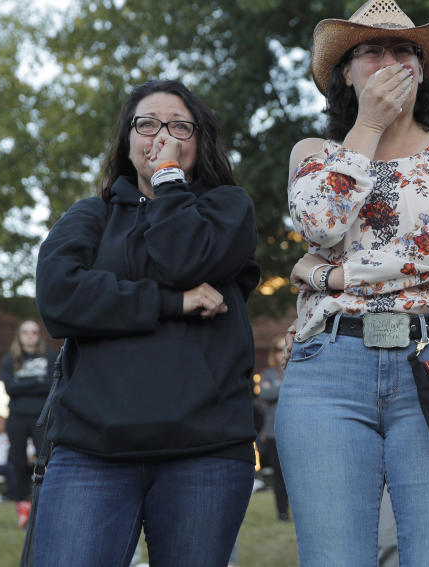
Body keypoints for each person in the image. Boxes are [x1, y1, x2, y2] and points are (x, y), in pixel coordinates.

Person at [277, 0, 429, 566]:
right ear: (344, 75)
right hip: (329, 366)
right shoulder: (313, 153)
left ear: (422, 72)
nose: (390, 62)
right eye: (371, 52)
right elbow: (321, 220)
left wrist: (337, 273)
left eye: (404, 51)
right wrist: (368, 127)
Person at [33, 79, 260, 567]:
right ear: (126, 140)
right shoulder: (90, 217)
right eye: (148, 124)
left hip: (205, 450)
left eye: (180, 126)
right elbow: (59, 298)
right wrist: (171, 304)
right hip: (91, 450)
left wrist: (170, 181)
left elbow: (187, 259)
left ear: (200, 140)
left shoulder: (227, 209)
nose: (162, 136)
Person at [0, 319, 57, 525]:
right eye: (26, 332)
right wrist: (37, 382)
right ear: (20, 335)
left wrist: (23, 383)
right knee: (18, 461)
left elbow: (52, 385)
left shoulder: (50, 356)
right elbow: (10, 388)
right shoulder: (10, 359)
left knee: (47, 459)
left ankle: (48, 503)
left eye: (34, 332)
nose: (30, 335)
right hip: (16, 416)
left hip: (43, 416)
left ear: (39, 334)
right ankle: (23, 507)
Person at [257, 338, 289, 521]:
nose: (281, 351)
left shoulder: (297, 369)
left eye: (285, 347)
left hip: (296, 432)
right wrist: (287, 386)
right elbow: (264, 394)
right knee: (279, 475)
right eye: (278, 349)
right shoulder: (268, 373)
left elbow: (272, 392)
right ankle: (282, 512)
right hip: (273, 433)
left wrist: (277, 387)